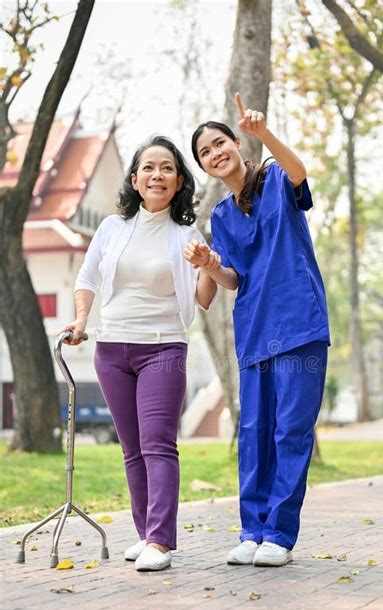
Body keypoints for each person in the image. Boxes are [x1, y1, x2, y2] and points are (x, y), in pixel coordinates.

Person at [186, 93, 330, 567]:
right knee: (254, 431)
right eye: (205, 152)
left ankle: (280, 535)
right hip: (254, 332)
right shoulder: (221, 217)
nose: (214, 153)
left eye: (219, 142)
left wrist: (265, 133)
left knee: (291, 429)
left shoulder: (273, 177)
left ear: (236, 143)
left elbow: (300, 173)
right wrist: (210, 262)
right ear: (205, 166)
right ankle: (251, 530)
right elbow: (229, 282)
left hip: (299, 324)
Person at [62, 135, 218, 572]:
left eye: (167, 167)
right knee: (131, 448)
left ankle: (161, 541)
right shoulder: (112, 228)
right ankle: (145, 533)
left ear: (179, 181)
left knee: (158, 445)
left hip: (163, 347)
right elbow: (87, 277)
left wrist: (206, 265)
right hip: (111, 348)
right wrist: (80, 320)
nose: (157, 174)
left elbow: (204, 299)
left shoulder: (186, 236)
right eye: (149, 167)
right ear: (134, 179)